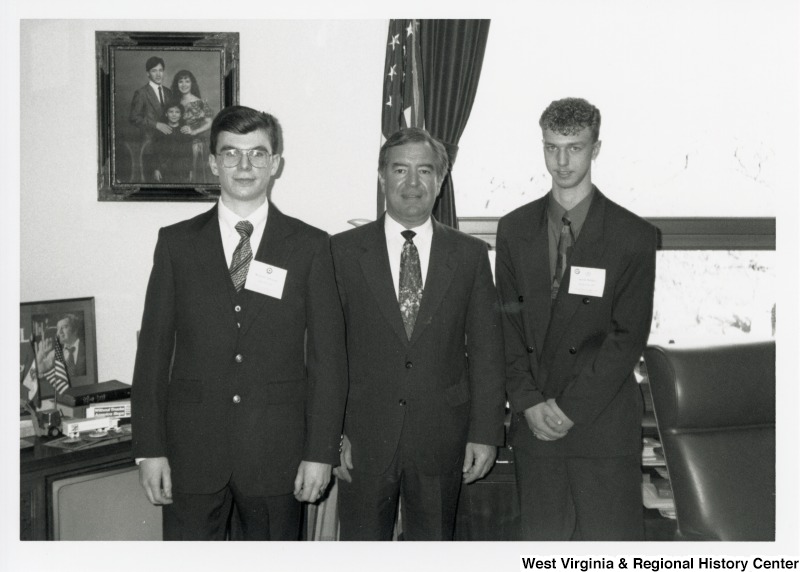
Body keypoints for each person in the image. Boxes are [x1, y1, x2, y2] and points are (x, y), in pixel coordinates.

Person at [131, 105, 348, 541]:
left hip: (277, 456)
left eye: (257, 154)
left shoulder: (310, 246)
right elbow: (153, 354)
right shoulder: (175, 244)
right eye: (231, 154)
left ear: (275, 164)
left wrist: (320, 453)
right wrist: (149, 450)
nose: (244, 166)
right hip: (191, 455)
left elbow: (329, 361)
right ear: (213, 162)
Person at [330, 128, 506, 540]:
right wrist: (330, 436)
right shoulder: (341, 253)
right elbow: (324, 354)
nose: (412, 183)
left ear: (440, 180)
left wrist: (485, 433)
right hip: (361, 441)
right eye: (400, 170)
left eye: (424, 170)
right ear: (382, 177)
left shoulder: (470, 256)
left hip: (442, 440)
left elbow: (487, 352)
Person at [495, 97, 657, 540]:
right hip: (535, 426)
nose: (561, 161)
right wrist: (527, 402)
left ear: (596, 148)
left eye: (575, 148)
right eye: (551, 148)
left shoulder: (634, 236)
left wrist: (569, 409)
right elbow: (506, 326)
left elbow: (628, 337)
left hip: (600, 425)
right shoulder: (513, 229)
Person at [129, 56, 172, 179]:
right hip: (150, 146)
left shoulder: (169, 92)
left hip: (168, 146)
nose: (158, 74)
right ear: (148, 73)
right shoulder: (141, 93)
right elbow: (133, 118)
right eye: (154, 71)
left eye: (160, 70)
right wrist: (156, 124)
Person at [170, 69, 215, 183]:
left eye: (187, 81)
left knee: (192, 177)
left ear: (192, 83)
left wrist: (194, 131)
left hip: (193, 145)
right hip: (176, 144)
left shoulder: (199, 102)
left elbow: (210, 122)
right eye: (180, 81)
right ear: (177, 84)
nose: (184, 84)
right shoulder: (174, 101)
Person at [152, 100, 192, 183]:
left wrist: (190, 170)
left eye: (177, 112)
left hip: (181, 170)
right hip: (164, 169)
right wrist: (156, 169)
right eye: (171, 112)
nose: (174, 114)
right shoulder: (160, 131)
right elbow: (155, 152)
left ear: (181, 115)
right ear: (166, 114)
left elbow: (189, 153)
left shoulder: (184, 131)